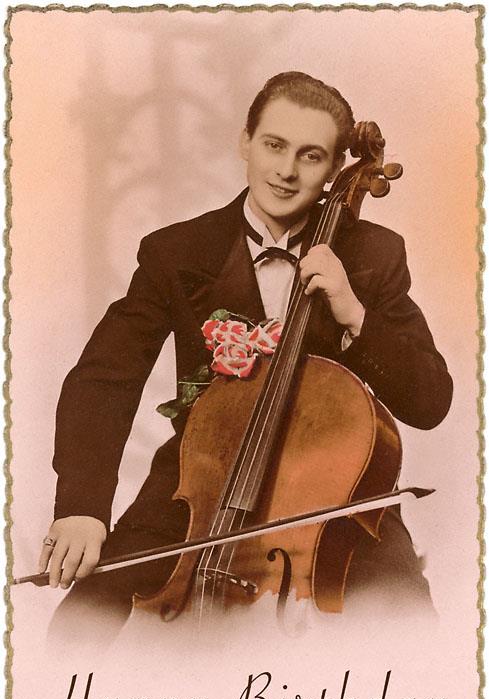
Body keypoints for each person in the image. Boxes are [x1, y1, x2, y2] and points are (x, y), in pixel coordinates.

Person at [41, 72, 453, 638]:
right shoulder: (176, 251)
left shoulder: (374, 254)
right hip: (200, 483)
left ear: (337, 167)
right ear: (246, 141)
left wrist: (354, 311)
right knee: (79, 627)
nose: (286, 171)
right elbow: (105, 376)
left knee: (409, 631)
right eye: (274, 145)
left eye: (311, 156)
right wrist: (82, 506)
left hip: (336, 491)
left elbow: (430, 400)